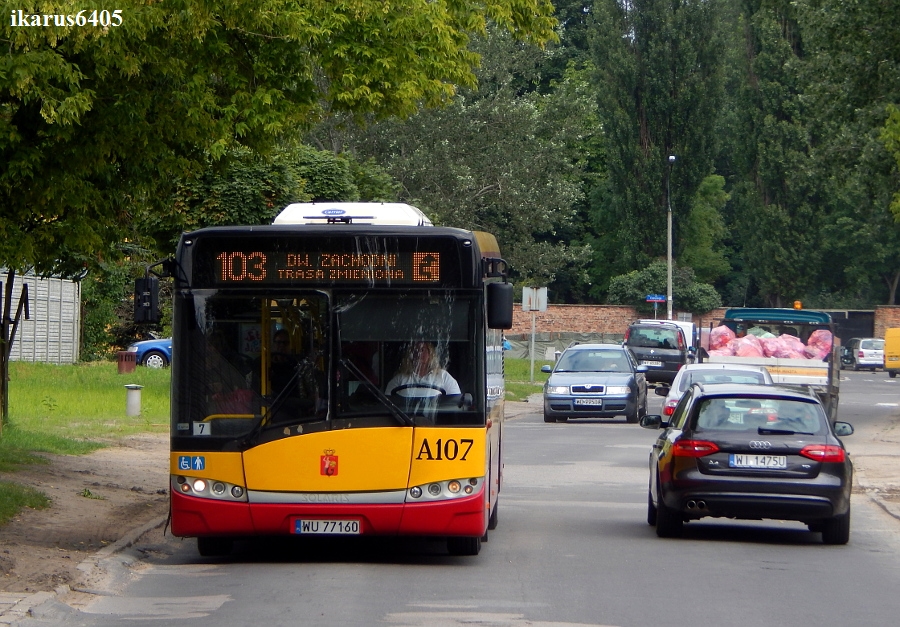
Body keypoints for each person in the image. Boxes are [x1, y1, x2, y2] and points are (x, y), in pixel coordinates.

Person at [385, 341, 460, 398]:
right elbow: (388, 403)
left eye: (422, 350)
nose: (418, 353)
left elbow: (455, 402)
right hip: (405, 418)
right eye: (414, 350)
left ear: (430, 353)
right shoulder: (399, 379)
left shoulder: (443, 376)